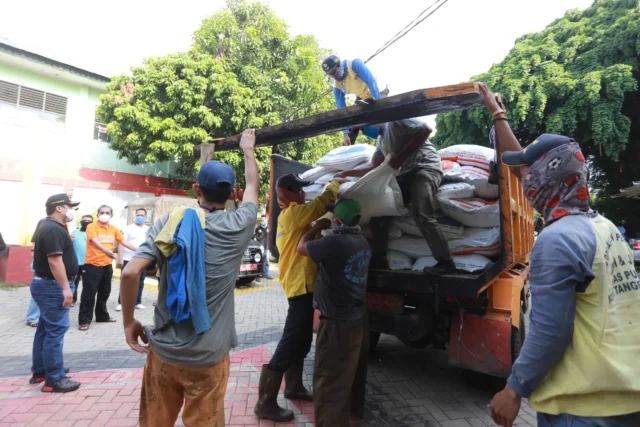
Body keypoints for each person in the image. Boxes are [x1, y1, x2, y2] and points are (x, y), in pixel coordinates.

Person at [477, 83, 640, 427]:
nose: (524, 182)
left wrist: (513, 389)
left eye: (530, 174)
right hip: (621, 395)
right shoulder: (605, 229)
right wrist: (498, 115)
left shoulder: (557, 240)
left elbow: (551, 331)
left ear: (547, 177)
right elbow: (524, 167)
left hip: (580, 406)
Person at [120, 129, 259, 427]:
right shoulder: (240, 225)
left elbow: (130, 271)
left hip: (163, 352)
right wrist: (248, 150)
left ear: (196, 189)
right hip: (208, 357)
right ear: (232, 195)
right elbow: (252, 188)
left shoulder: (171, 222)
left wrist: (129, 322)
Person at [254, 172, 343, 422]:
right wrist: (336, 182)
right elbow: (320, 204)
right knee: (291, 340)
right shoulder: (293, 214)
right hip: (300, 285)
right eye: (299, 190)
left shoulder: (290, 215)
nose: (304, 193)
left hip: (301, 284)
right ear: (287, 194)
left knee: (302, 339)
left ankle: (294, 386)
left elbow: (315, 214)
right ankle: (265, 402)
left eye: (304, 189)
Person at [336, 119, 456, 274]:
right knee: (380, 210)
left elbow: (425, 130)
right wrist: (345, 173)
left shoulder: (396, 121)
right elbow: (373, 166)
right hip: (405, 174)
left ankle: (446, 262)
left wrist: (401, 157)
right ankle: (379, 259)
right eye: (361, 129)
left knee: (421, 212)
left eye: (363, 126)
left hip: (425, 167)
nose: (365, 130)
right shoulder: (381, 142)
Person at [297, 199, 372, 427]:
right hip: (357, 318)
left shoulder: (333, 243)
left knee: (328, 381)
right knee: (349, 374)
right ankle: (351, 418)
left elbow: (301, 246)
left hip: (337, 323)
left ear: (338, 220)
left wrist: (317, 226)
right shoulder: (362, 242)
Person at [30, 194, 81, 393]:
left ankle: (42, 370)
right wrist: (66, 288)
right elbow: (54, 261)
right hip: (53, 287)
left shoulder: (48, 226)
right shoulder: (52, 228)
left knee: (45, 329)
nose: (71, 210)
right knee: (55, 331)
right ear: (58, 208)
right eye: (69, 206)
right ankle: (54, 379)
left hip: (47, 285)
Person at [78, 206, 137, 331]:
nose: (104, 214)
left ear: (111, 215)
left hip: (106, 265)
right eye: (102, 212)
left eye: (107, 213)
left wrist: (140, 250)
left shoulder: (113, 229)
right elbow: (94, 241)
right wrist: (106, 251)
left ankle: (102, 316)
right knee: (89, 294)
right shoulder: (91, 226)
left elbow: (123, 241)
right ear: (97, 214)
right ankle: (84, 320)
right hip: (92, 265)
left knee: (105, 292)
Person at [322, 55, 381, 146]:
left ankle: (388, 130)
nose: (334, 76)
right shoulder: (338, 87)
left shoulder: (353, 64)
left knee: (385, 121)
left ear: (339, 64)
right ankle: (348, 149)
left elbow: (371, 81)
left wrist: (380, 106)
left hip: (376, 92)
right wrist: (345, 134)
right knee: (354, 123)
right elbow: (342, 110)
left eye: (334, 71)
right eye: (331, 74)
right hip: (363, 99)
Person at [116, 209, 149, 311]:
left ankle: (137, 302)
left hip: (143, 258)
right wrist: (120, 258)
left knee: (140, 281)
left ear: (146, 217)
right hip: (128, 258)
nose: (140, 217)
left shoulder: (149, 229)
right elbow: (121, 242)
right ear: (135, 216)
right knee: (126, 280)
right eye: (138, 215)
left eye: (142, 215)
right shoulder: (127, 228)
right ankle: (121, 302)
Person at [71, 215, 93, 306]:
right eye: (85, 220)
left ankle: (86, 301)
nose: (86, 222)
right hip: (75, 262)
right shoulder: (74, 232)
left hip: (88, 262)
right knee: (73, 282)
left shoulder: (94, 233)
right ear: (81, 221)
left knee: (87, 283)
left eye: (89, 221)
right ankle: (72, 300)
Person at [254, 214, 272, 280]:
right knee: (259, 262)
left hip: (267, 248)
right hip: (260, 248)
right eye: (261, 220)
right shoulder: (258, 229)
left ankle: (266, 274)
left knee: (267, 262)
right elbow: (255, 238)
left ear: (266, 220)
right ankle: (258, 275)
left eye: (263, 220)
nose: (262, 221)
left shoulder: (268, 229)